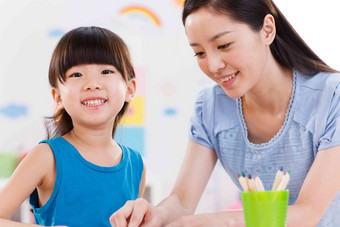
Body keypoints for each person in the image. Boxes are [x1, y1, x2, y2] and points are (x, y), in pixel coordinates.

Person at [110, 0, 340, 226]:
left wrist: (222, 220)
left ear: (267, 30)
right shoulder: (210, 106)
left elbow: (308, 214)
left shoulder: (332, 96)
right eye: (199, 53)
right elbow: (181, 200)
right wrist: (154, 214)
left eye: (224, 45)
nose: (213, 65)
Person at [0, 26, 146, 226]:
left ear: (130, 89)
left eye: (106, 71)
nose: (92, 84)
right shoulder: (46, 156)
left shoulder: (137, 165)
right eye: (77, 75)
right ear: (58, 97)